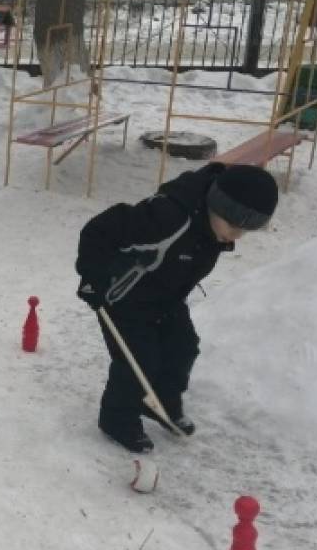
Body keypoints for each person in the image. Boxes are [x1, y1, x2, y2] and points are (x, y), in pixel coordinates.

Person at [75, 163, 279, 454]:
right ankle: (117, 418)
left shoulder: (213, 228)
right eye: (234, 226)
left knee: (183, 347)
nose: (236, 237)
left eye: (244, 231)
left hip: (166, 297)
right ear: (217, 206)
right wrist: (92, 278)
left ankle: (160, 402)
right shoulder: (167, 217)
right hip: (123, 296)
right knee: (138, 359)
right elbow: (100, 230)